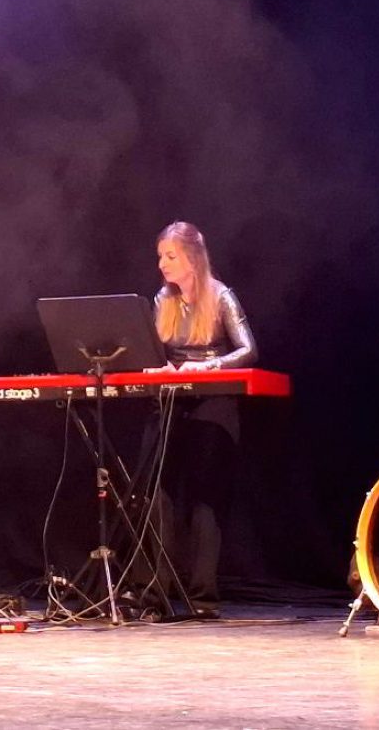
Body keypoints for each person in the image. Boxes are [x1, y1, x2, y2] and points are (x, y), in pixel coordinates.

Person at [146, 220, 256, 618]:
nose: (162, 264)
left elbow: (248, 350)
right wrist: (157, 367)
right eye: (160, 256)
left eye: (170, 256)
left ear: (192, 259)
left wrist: (209, 366)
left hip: (213, 404)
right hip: (172, 401)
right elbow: (154, 351)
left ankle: (202, 598)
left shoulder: (221, 296)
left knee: (205, 501)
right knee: (159, 497)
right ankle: (156, 596)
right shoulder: (163, 299)